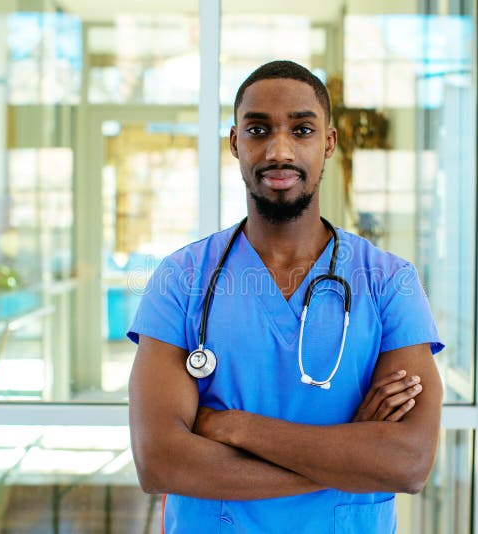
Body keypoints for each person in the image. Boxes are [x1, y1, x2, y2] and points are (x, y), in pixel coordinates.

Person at [127, 60, 444, 533]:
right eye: (258, 129)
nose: (279, 150)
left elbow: (408, 463)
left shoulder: (389, 281)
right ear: (236, 143)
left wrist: (235, 427)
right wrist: (348, 456)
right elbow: (161, 463)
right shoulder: (181, 278)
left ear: (328, 143)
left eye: (301, 129)